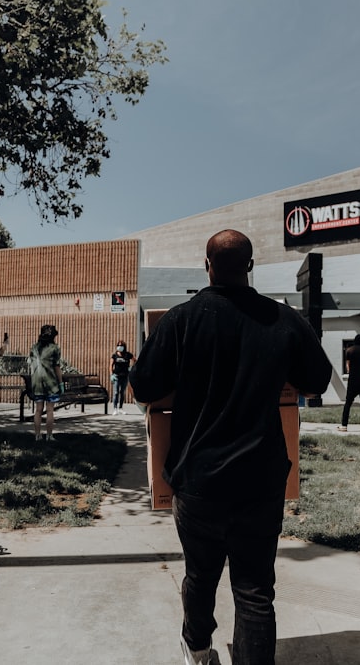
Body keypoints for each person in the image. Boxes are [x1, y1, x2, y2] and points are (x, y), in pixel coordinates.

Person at [130, 229, 332, 665]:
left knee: (200, 576)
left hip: (198, 479)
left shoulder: (181, 319)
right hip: (261, 479)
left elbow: (143, 386)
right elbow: (317, 382)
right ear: (250, 267)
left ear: (207, 267)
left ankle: (198, 651)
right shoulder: (282, 319)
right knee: (255, 589)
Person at [28, 324, 63, 441]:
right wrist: (61, 383)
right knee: (49, 410)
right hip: (50, 382)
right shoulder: (54, 348)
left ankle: (37, 435)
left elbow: (31, 365)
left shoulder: (34, 348)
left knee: (38, 410)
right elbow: (57, 367)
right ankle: (49, 435)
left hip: (37, 382)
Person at [338, 334, 360, 433]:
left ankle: (344, 425)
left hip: (353, 379)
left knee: (348, 402)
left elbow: (348, 366)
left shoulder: (350, 350)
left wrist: (351, 370)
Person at [110, 340, 134, 415]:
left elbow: (135, 360)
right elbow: (110, 365)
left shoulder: (127, 355)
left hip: (125, 376)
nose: (119, 347)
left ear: (124, 347)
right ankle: (115, 409)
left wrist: (131, 367)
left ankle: (121, 408)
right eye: (118, 345)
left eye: (121, 346)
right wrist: (111, 374)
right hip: (116, 376)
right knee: (116, 392)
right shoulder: (114, 355)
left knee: (122, 392)